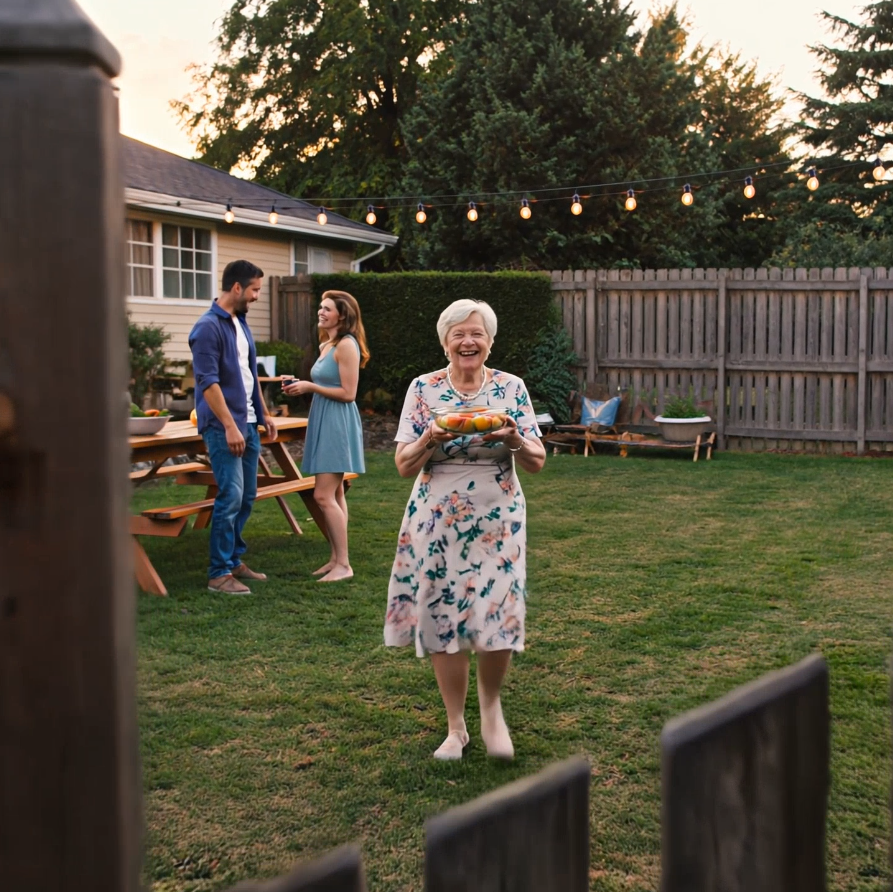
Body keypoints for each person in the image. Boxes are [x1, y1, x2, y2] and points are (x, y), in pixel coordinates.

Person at [384, 299, 546, 760]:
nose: (467, 341)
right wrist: (429, 438)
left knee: (498, 610)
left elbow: (536, 461)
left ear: (490, 342)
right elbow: (401, 465)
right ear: (445, 342)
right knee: (441, 614)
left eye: (476, 333)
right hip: (436, 517)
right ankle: (456, 728)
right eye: (458, 334)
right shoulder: (423, 389)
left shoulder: (512, 388)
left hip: (498, 517)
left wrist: (515, 440)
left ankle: (491, 710)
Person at [189, 259, 278, 595]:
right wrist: (229, 426)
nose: (257, 296)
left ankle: (234, 559)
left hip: (249, 423)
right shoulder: (207, 328)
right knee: (230, 496)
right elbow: (207, 383)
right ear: (237, 287)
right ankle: (218, 573)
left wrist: (265, 414)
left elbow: (249, 375)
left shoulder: (240, 323)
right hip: (224, 426)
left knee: (248, 496)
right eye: (254, 289)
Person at [282, 290, 368, 582]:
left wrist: (310, 387)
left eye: (327, 308)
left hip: (337, 422)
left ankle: (344, 565)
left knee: (322, 494)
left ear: (341, 315)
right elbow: (323, 381)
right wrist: (298, 385)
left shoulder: (346, 345)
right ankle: (335, 558)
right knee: (336, 492)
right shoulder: (326, 345)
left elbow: (349, 393)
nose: (320, 312)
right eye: (320, 307)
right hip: (324, 418)